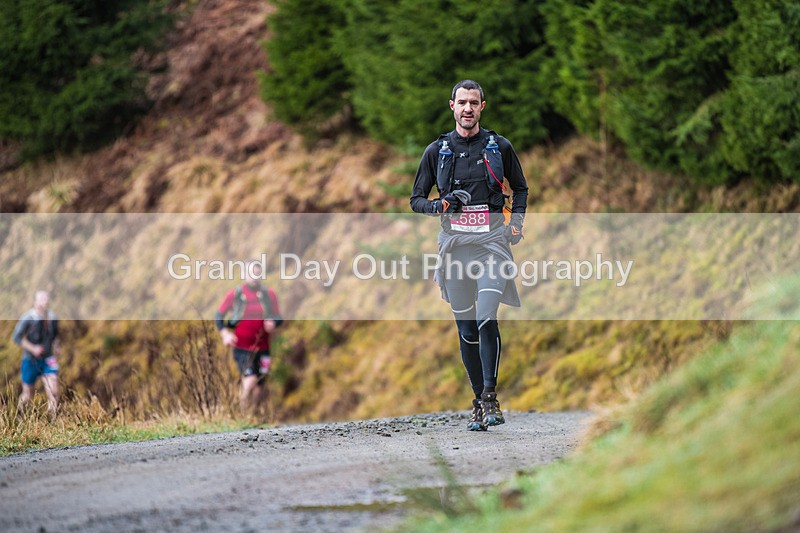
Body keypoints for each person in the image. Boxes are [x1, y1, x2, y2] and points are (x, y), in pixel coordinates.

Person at [410, 80, 528, 431]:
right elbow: (415, 199)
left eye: (473, 103)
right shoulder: (437, 150)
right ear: (452, 106)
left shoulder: (499, 146)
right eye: (462, 103)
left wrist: (517, 223)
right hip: (455, 250)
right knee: (466, 330)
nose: (467, 109)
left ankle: (491, 398)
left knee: (486, 317)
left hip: (491, 245)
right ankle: (478, 401)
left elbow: (520, 187)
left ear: (482, 106)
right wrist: (437, 205)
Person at [215, 260, 283, 414]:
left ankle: (254, 419)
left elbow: (279, 317)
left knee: (260, 386)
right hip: (242, 347)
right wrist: (225, 333)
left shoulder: (268, 295)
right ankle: (241, 415)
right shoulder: (236, 294)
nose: (254, 277)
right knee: (250, 379)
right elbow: (219, 315)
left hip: (264, 347)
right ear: (245, 274)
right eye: (251, 273)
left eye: (258, 273)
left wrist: (274, 322)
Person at [13, 290, 61, 416]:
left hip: (48, 359)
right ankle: (19, 417)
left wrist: (56, 347)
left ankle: (52, 422)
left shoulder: (52, 317)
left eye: (46, 299)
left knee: (53, 392)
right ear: (35, 301)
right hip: (30, 360)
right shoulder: (28, 318)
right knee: (28, 394)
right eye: (42, 299)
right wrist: (33, 348)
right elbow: (17, 337)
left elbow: (55, 336)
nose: (45, 302)